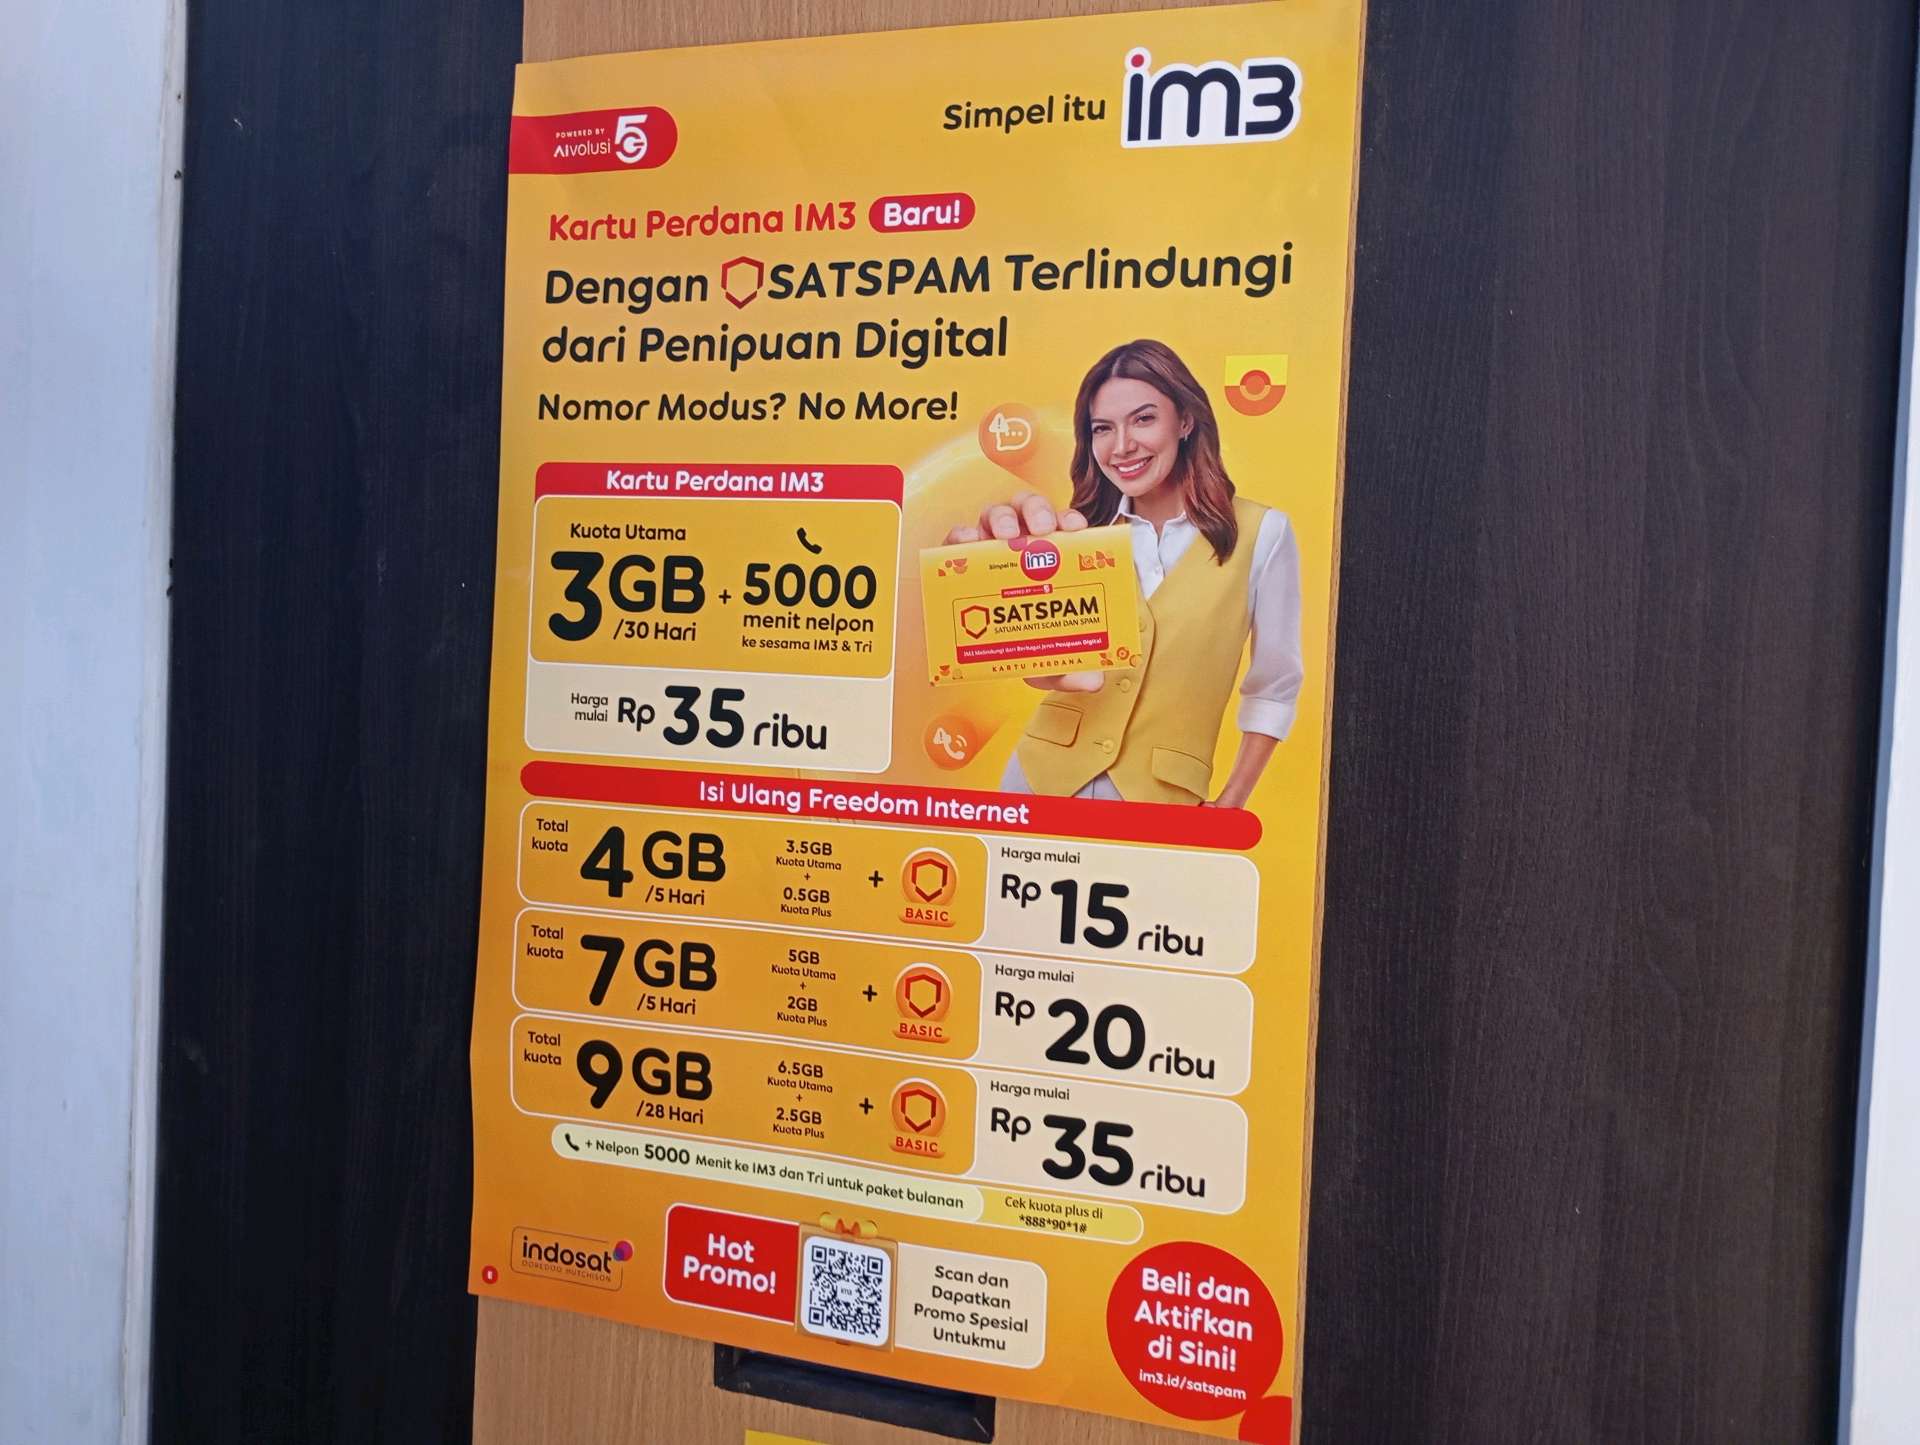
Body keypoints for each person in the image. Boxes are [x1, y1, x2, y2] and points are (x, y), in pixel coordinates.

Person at [944, 339, 1302, 807]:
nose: (1122, 446)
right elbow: (1043, 669)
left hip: (1163, 798)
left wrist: (1231, 803)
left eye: (1143, 419)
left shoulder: (1261, 532)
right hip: (1039, 779)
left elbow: (1275, 685)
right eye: (1102, 428)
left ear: (1185, 421)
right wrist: (980, 580)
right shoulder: (1078, 534)